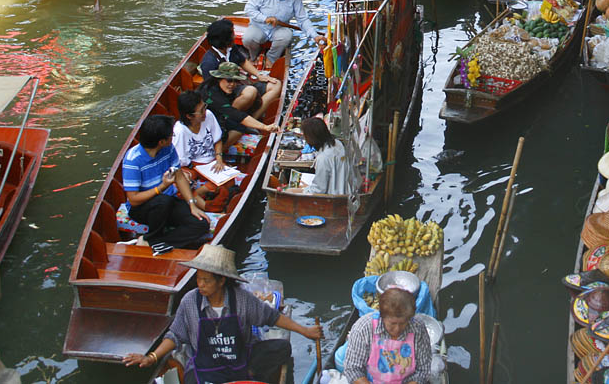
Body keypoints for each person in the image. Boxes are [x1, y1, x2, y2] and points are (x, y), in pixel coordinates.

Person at [123, 244, 323, 381]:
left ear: (222, 281)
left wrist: (305, 331)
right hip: (205, 368)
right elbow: (175, 335)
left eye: (207, 281)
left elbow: (272, 317)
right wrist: (151, 358)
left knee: (282, 347)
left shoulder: (242, 300)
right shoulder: (190, 301)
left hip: (240, 361)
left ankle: (251, 374)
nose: (200, 285)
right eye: (198, 279)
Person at [120, 115, 211, 255]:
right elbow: (133, 199)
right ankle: (154, 238)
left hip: (166, 203)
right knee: (163, 200)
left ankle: (151, 242)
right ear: (161, 141)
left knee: (201, 224)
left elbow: (179, 176)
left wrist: (192, 205)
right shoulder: (133, 160)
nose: (173, 137)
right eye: (171, 136)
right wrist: (162, 187)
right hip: (142, 208)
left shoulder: (168, 149)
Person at [199, 18, 282, 119]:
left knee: (276, 84)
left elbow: (242, 61)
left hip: (238, 84)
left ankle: (254, 118)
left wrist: (259, 75)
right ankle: (229, 118)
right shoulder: (209, 62)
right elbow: (212, 91)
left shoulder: (231, 48)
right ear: (225, 40)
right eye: (232, 34)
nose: (234, 36)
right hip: (225, 95)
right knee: (250, 92)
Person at [344, 287, 431, 383]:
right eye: (393, 324)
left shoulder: (418, 328)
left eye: (403, 323)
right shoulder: (363, 328)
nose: (397, 329)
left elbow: (423, 370)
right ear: (382, 317)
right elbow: (353, 369)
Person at [243, 0, 324, 64]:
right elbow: (249, 9)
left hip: (278, 29)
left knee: (287, 36)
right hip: (259, 26)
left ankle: (271, 58)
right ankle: (254, 56)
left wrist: (315, 35)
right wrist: (265, 18)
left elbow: (303, 20)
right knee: (248, 38)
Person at [201, 62, 281, 146]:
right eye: (229, 80)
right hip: (208, 123)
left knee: (239, 127)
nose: (232, 84)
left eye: (235, 81)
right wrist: (264, 127)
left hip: (220, 115)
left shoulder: (221, 87)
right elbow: (234, 113)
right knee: (237, 129)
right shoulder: (212, 94)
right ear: (219, 79)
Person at [172, 90, 226, 207]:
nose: (205, 112)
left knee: (228, 181)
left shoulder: (209, 115)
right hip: (191, 166)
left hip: (211, 161)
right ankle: (202, 200)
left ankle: (197, 194)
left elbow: (217, 141)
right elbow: (180, 162)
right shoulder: (180, 131)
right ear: (189, 116)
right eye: (201, 111)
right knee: (180, 184)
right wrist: (194, 170)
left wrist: (219, 159)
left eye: (204, 107)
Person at [299, 117, 354, 194]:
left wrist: (303, 190)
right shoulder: (337, 144)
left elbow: (319, 189)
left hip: (336, 197)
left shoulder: (323, 158)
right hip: (346, 191)